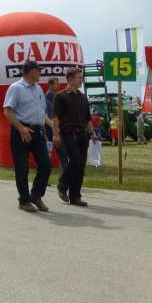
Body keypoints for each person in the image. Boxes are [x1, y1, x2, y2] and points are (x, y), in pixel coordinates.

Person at [3, 60, 53, 213]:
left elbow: (41, 112)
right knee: (22, 169)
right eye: (39, 70)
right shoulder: (16, 88)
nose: (40, 73)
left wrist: (43, 130)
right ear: (32, 71)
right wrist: (21, 128)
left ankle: (36, 196)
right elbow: (7, 111)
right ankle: (24, 201)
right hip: (21, 133)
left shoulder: (38, 89)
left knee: (46, 165)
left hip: (37, 132)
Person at [52, 67, 98, 207]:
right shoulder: (60, 96)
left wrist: (91, 133)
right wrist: (56, 134)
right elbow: (55, 117)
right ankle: (62, 184)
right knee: (75, 161)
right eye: (79, 78)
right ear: (70, 79)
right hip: (67, 132)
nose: (81, 80)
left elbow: (88, 117)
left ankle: (75, 196)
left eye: (81, 77)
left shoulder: (83, 96)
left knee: (81, 165)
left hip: (82, 133)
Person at [44, 77, 68, 169]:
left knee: (63, 152)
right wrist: (55, 128)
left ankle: (66, 172)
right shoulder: (45, 99)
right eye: (56, 84)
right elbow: (45, 116)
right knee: (47, 153)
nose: (59, 86)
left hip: (59, 128)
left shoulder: (59, 98)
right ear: (50, 85)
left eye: (59, 84)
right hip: (49, 129)